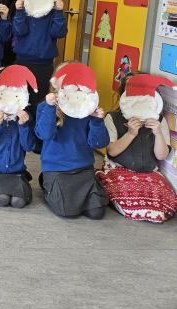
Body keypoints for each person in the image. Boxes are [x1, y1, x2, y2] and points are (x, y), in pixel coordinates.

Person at [96, 74, 177, 223]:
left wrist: (158, 133)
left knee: (164, 206)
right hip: (118, 168)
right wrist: (131, 133)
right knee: (130, 203)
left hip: (149, 172)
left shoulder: (159, 121)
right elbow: (112, 151)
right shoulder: (113, 117)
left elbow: (161, 156)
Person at [35, 63, 110, 219]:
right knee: (67, 211)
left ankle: (62, 190)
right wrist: (50, 107)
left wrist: (97, 121)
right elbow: (45, 135)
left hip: (83, 169)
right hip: (57, 169)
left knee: (97, 213)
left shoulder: (87, 108)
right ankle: (48, 185)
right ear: (56, 84)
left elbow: (99, 143)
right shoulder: (45, 106)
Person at [0, 65, 38, 208]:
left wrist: (23, 126)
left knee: (19, 202)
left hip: (16, 171)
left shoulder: (24, 116)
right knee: (2, 199)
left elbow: (29, 146)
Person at [13, 0, 67, 114]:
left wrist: (59, 12)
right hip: (22, 62)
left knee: (40, 100)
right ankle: (22, 125)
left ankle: (38, 125)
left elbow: (59, 32)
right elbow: (19, 30)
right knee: (21, 98)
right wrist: (19, 12)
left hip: (44, 64)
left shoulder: (52, 12)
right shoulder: (25, 10)